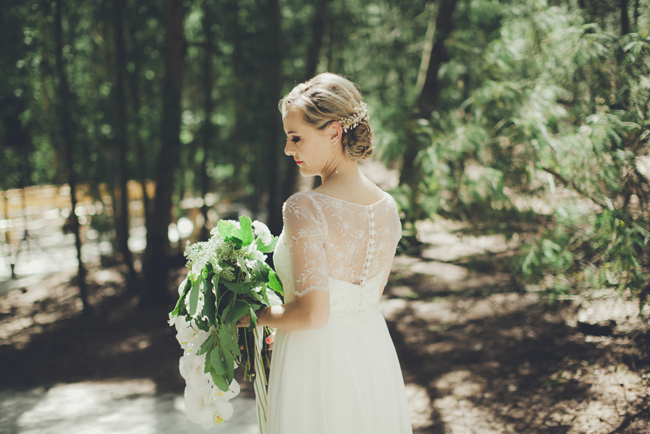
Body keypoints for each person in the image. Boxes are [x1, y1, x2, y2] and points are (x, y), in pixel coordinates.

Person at [237, 72, 413, 434]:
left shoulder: (305, 208)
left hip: (316, 362)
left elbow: (314, 315)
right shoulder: (387, 206)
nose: (289, 149)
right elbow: (364, 298)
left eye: (295, 137)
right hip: (374, 352)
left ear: (334, 132)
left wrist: (253, 316)